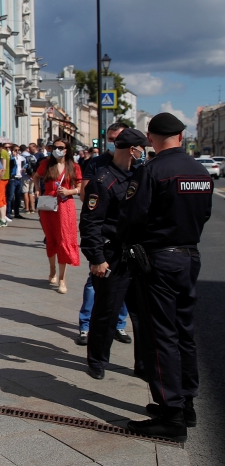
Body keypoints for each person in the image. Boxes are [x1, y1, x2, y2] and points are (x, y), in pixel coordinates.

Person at [119, 112, 213, 442]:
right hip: (190, 256)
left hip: (160, 260)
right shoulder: (200, 171)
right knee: (184, 330)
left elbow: (133, 215)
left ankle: (170, 413)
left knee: (161, 335)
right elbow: (204, 214)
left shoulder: (154, 170)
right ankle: (186, 403)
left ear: (151, 136)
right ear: (181, 135)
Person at [78, 128, 147, 381]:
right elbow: (90, 223)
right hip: (112, 254)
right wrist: (96, 257)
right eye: (142, 148)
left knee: (141, 314)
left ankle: (143, 364)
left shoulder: (140, 175)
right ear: (132, 150)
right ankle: (97, 360)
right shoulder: (103, 180)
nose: (144, 153)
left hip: (136, 254)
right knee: (106, 311)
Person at [76, 123, 132, 346]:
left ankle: (119, 325)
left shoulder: (136, 165)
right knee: (94, 281)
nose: (113, 142)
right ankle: (85, 326)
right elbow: (86, 194)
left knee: (127, 284)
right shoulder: (97, 163)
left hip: (126, 236)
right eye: (110, 138)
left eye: (117, 138)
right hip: (104, 234)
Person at [36, 139, 81, 293]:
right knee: (51, 238)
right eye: (54, 147)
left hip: (65, 205)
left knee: (65, 240)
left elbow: (80, 186)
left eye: (60, 147)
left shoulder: (74, 166)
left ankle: (62, 279)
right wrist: (37, 190)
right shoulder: (46, 164)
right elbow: (36, 176)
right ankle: (52, 269)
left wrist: (70, 191)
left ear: (67, 150)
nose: (56, 150)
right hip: (49, 204)